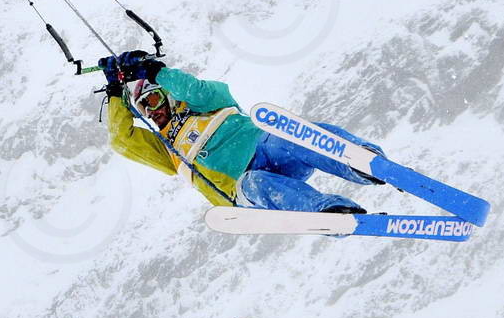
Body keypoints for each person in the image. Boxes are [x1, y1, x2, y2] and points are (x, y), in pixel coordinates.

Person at [100, 50, 386, 213]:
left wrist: (155, 72)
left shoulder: (204, 103)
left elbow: (194, 88)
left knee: (294, 136)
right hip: (241, 186)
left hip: (265, 147)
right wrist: (115, 91)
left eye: (152, 100)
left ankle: (359, 161)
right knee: (257, 183)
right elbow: (121, 139)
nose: (151, 111)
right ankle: (330, 212)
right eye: (143, 108)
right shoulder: (167, 149)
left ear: (168, 96)